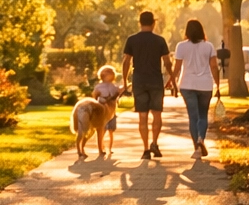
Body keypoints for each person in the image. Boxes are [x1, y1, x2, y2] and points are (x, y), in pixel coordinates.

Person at [122, 11, 174, 159]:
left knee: (142, 117)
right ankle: (154, 143)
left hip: (139, 80)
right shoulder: (159, 40)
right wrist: (172, 78)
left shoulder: (132, 40)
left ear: (140, 22)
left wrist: (125, 81)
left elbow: (126, 61)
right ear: (153, 23)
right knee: (157, 115)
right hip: (155, 81)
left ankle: (145, 150)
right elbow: (167, 62)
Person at [172, 19, 222, 160]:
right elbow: (214, 67)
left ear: (187, 31)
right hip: (205, 85)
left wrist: (172, 82)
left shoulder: (181, 46)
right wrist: (217, 84)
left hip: (187, 85)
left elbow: (177, 67)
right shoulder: (209, 46)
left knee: (192, 117)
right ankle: (201, 139)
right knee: (203, 115)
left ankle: (196, 148)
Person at [92, 65, 123, 155]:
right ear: (101, 75)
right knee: (102, 130)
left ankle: (110, 147)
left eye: (111, 73)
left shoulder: (113, 86)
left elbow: (118, 91)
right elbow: (95, 97)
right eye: (106, 73)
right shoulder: (99, 86)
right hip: (102, 112)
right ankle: (101, 147)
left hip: (112, 112)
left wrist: (123, 86)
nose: (109, 75)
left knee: (111, 130)